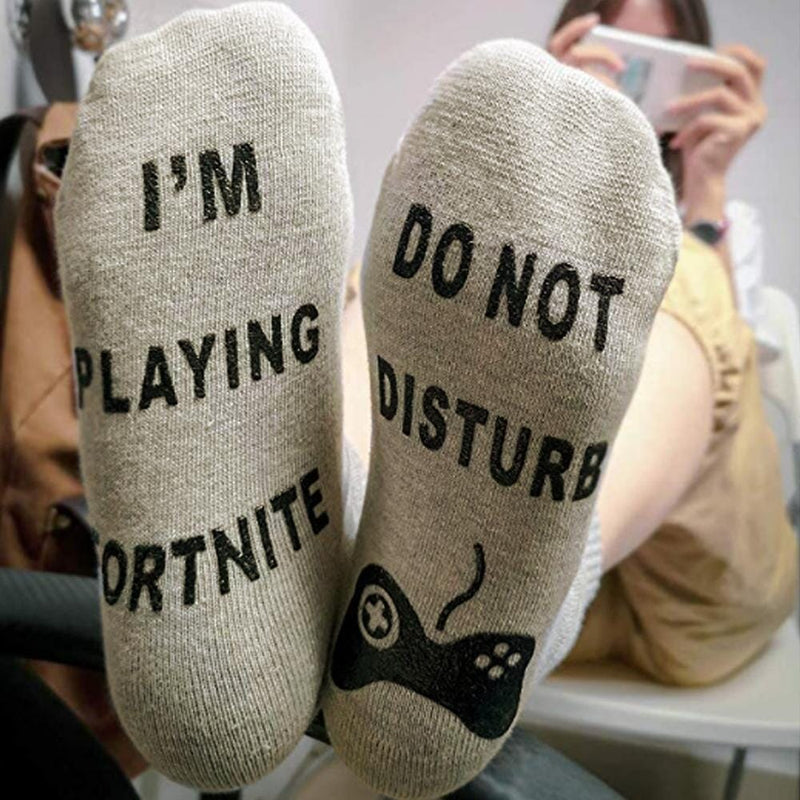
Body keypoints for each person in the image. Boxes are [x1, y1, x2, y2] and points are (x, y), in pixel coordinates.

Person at [542, 0, 798, 685]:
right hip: (550, 587)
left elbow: (730, 398)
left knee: (685, 266)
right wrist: (550, 138)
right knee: (428, 248)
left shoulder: (727, 226)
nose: (640, 82)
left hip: (696, 593)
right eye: (619, 54)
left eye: (667, 63)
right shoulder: (534, 194)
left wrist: (707, 186)